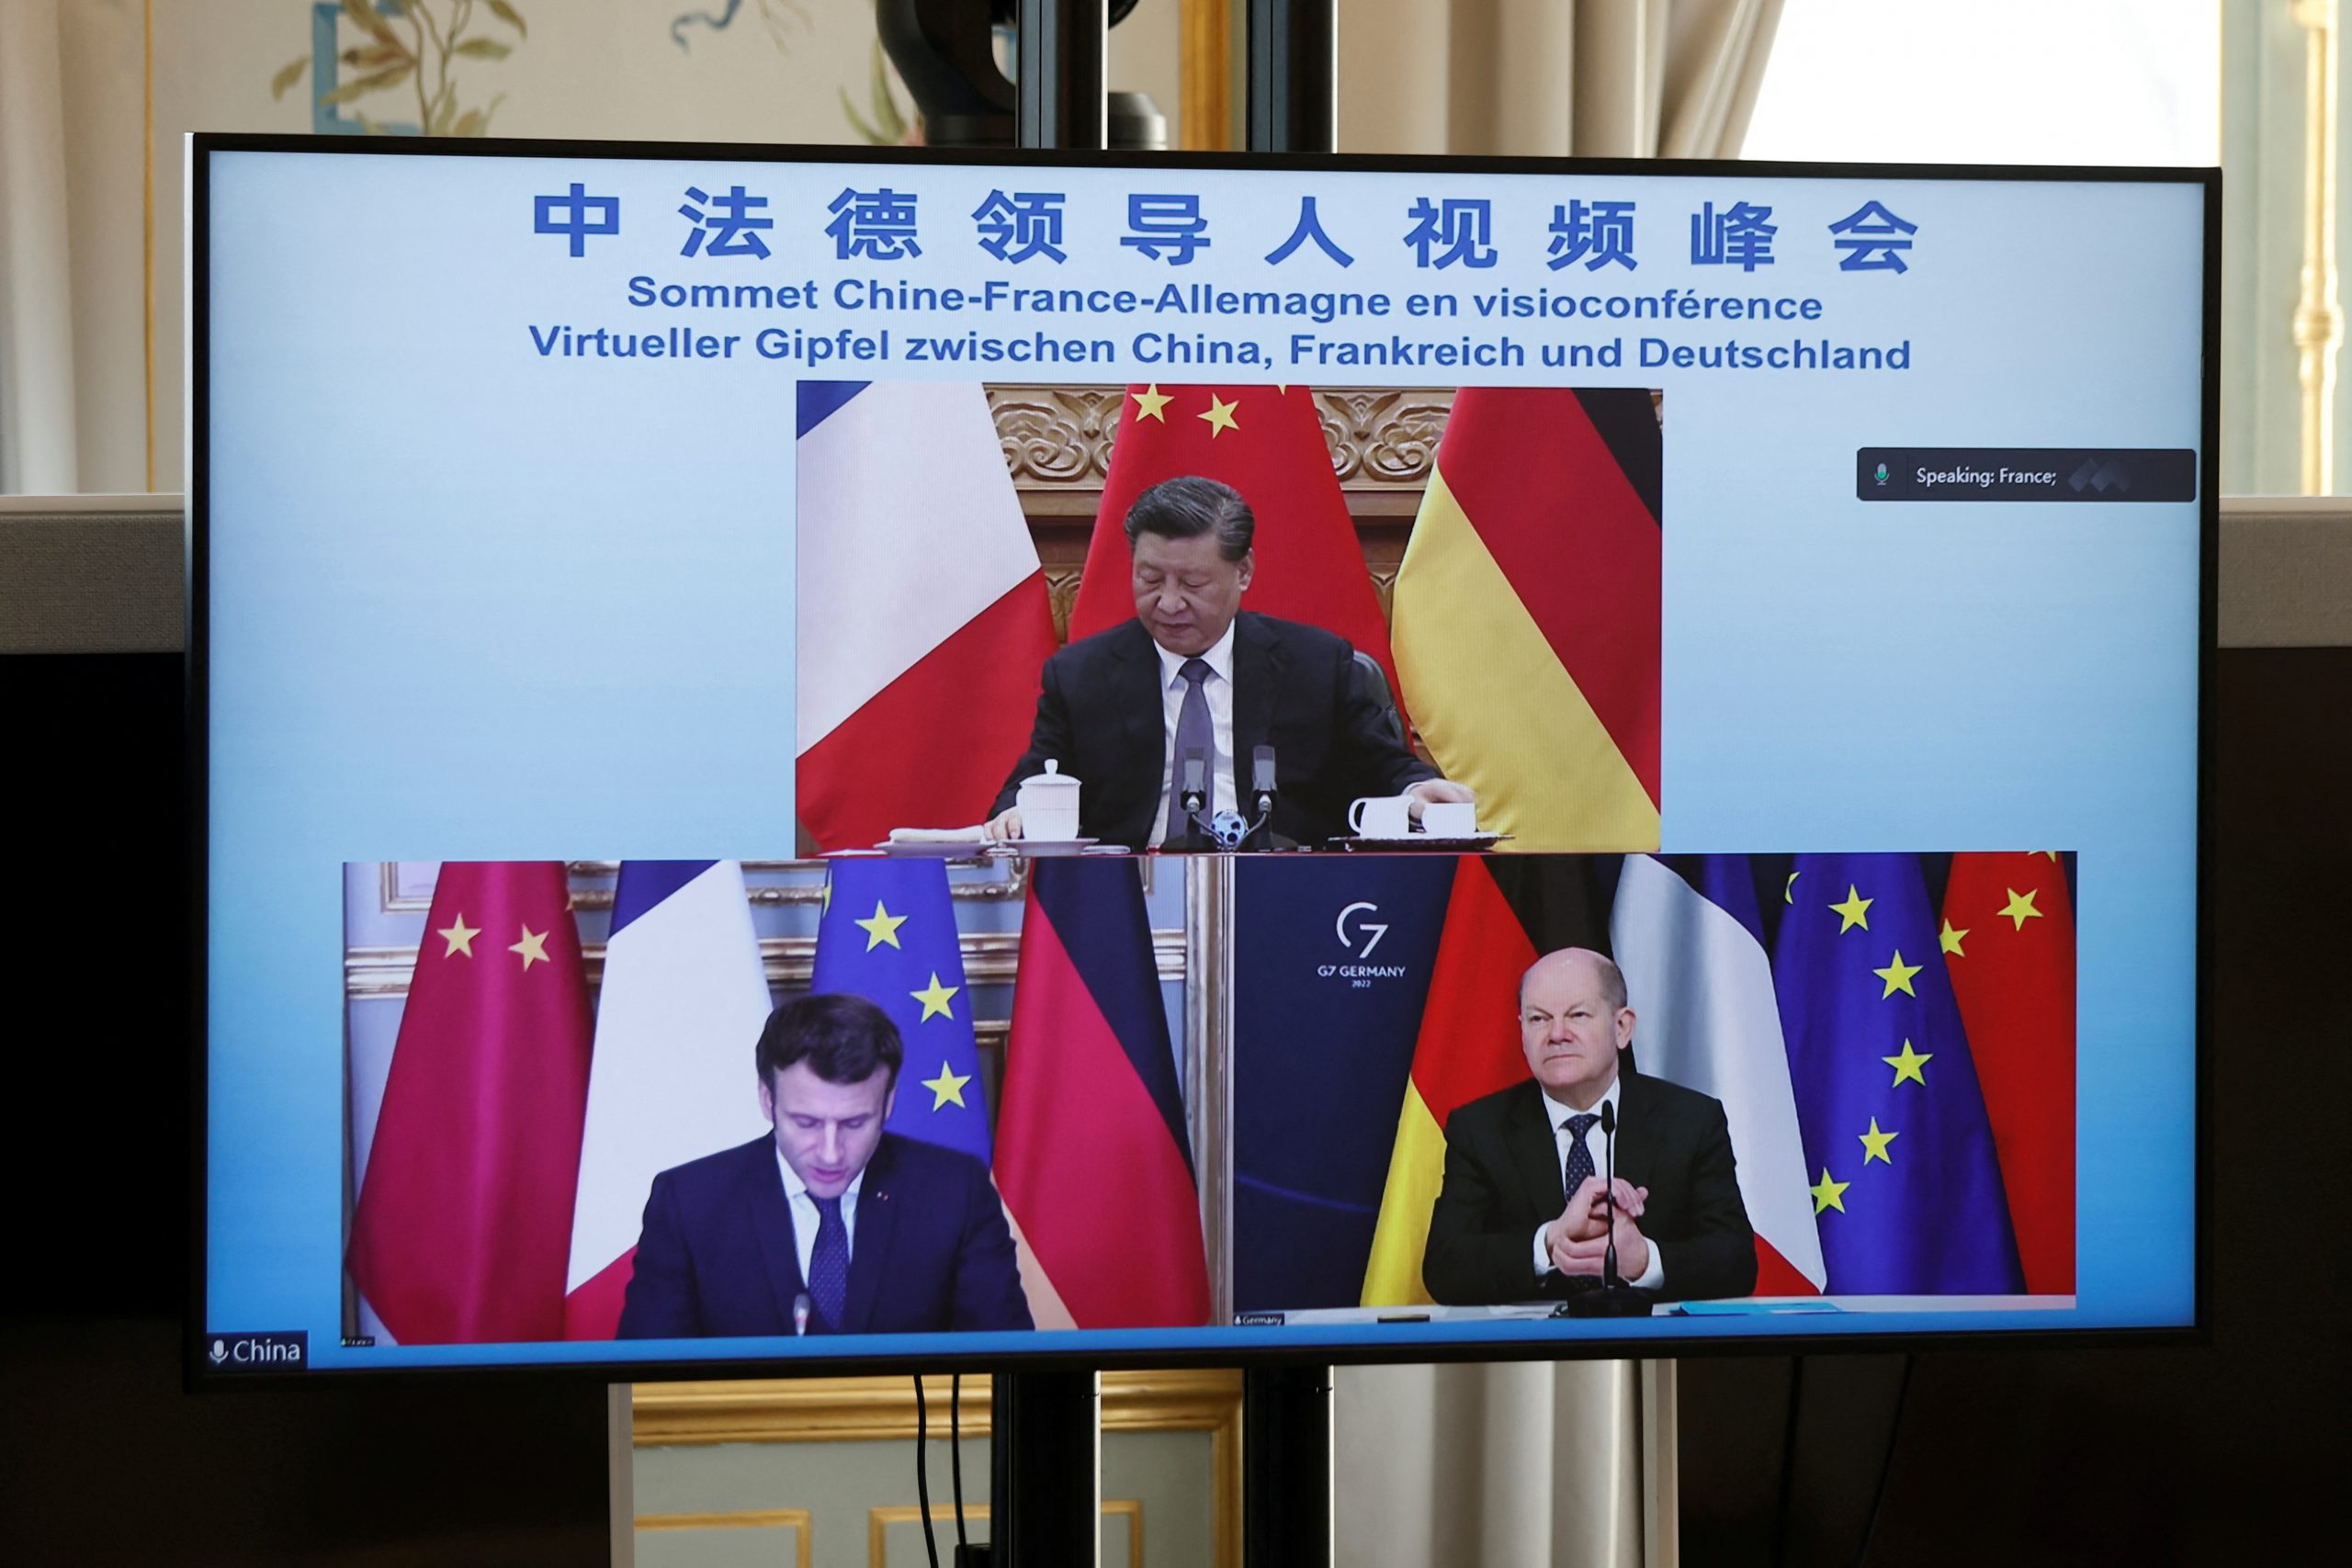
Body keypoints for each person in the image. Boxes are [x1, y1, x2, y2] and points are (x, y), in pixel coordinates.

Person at [983, 474, 1474, 848]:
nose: (1169, 603)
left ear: (1243, 572)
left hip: (1290, 896)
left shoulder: (1317, 665)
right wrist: (1015, 814)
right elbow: (1034, 780)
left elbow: (1385, 768)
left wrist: (1418, 790)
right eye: (1150, 580)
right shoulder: (1080, 675)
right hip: (1131, 903)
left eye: (1192, 585)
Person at [616, 993, 1033, 1337]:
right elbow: (642, 1383)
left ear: (887, 1104)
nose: (831, 1153)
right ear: (767, 1100)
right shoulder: (690, 1204)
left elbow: (1007, 1365)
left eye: (854, 1123)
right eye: (807, 1123)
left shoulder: (955, 1193)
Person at [1421, 947, 1757, 1305]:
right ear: (1521, 1031)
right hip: (1528, 1353)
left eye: (1577, 1015)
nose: (1557, 1034)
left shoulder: (1691, 1121)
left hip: (1655, 1349)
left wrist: (1644, 1260)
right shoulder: (1480, 1129)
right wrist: (1550, 1241)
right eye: (1538, 1019)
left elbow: (1736, 1261)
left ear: (1622, 1027)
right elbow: (1444, 1268)